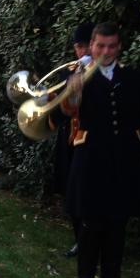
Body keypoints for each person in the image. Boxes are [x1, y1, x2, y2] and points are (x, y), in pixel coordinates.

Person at [63, 22, 140, 278]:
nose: (106, 51)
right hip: (91, 158)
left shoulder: (133, 78)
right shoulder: (78, 76)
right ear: (92, 46)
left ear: (119, 47)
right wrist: (72, 94)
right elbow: (65, 112)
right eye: (100, 46)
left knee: (118, 219)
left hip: (125, 157)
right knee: (90, 219)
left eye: (111, 46)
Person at [49, 22, 94, 258]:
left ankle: (93, 242)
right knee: (71, 194)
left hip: (92, 143)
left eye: (87, 46)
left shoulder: (101, 74)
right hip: (69, 141)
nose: (83, 52)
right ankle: (80, 240)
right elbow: (57, 112)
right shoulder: (69, 72)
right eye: (79, 47)